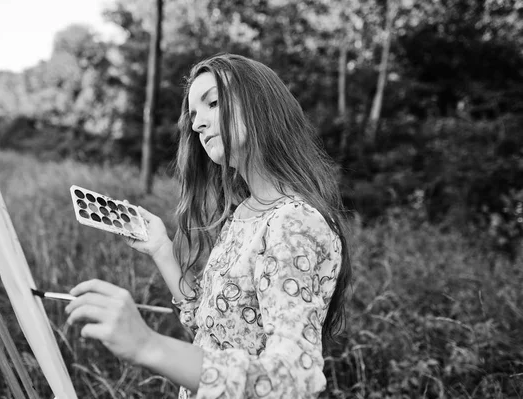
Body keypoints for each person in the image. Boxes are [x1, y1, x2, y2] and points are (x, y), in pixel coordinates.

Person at [65, 53, 351, 398]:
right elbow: (211, 326)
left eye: (212, 103)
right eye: (194, 116)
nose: (198, 124)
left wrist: (147, 345)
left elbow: (294, 378)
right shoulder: (246, 211)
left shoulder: (294, 223)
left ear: (261, 105)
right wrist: (161, 248)